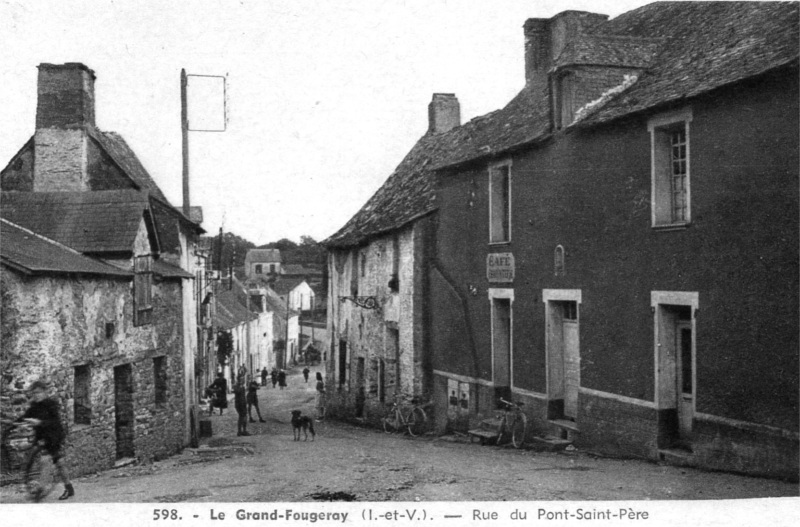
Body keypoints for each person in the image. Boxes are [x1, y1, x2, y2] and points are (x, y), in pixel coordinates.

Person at [19, 380, 74, 500]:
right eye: (34, 393)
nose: (36, 395)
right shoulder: (34, 406)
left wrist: (39, 422)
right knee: (59, 463)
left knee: (46, 460)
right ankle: (69, 488)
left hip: (54, 436)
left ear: (44, 392)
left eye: (38, 392)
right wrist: (15, 423)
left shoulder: (51, 404)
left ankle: (40, 490)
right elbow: (25, 417)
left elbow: (54, 422)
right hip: (42, 437)